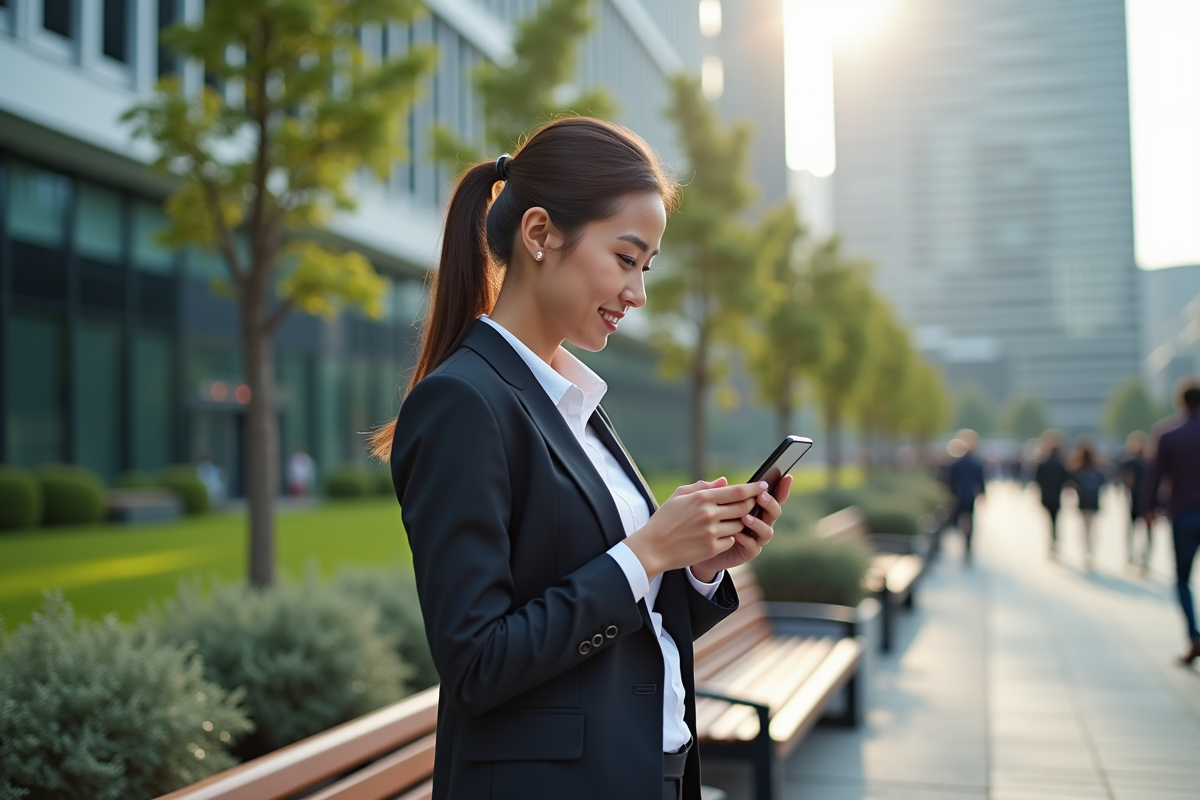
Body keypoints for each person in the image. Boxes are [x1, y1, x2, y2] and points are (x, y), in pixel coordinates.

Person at [373, 118, 793, 800]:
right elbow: (477, 660)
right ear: (539, 234)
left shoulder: (573, 401)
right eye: (626, 259)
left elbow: (624, 615)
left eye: (646, 267)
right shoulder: (462, 404)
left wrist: (699, 566)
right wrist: (648, 551)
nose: (639, 293)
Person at [1143, 378, 1200, 666]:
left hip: (1184, 514)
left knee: (1182, 580)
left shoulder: (1169, 434)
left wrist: (1148, 509)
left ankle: (1194, 636)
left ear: (1181, 402)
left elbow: (1155, 476)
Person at [946, 429, 986, 561]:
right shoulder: (976, 464)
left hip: (959, 495)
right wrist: (983, 495)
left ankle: (964, 538)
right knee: (969, 519)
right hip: (970, 496)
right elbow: (980, 482)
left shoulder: (956, 465)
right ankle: (968, 541)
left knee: (961, 519)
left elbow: (951, 482)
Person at [1068, 439, 1105, 571]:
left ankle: (1086, 551)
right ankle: (1090, 551)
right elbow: (1103, 483)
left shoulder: (1079, 469)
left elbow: (1072, 484)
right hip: (1094, 501)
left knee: (1084, 528)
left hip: (1083, 501)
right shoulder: (1097, 469)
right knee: (1091, 527)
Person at [1034, 431, 1070, 558]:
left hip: (1046, 496)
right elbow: (1066, 480)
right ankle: (1054, 540)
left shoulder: (1042, 464)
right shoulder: (1061, 464)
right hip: (1056, 496)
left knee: (1050, 520)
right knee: (1055, 519)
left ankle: (1051, 540)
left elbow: (1037, 481)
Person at [1119, 432, 1149, 571]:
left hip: (1134, 498)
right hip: (1147, 499)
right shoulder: (1149, 462)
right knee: (1146, 530)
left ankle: (1132, 554)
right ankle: (1145, 556)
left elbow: (1125, 481)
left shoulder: (1129, 462)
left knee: (1131, 528)